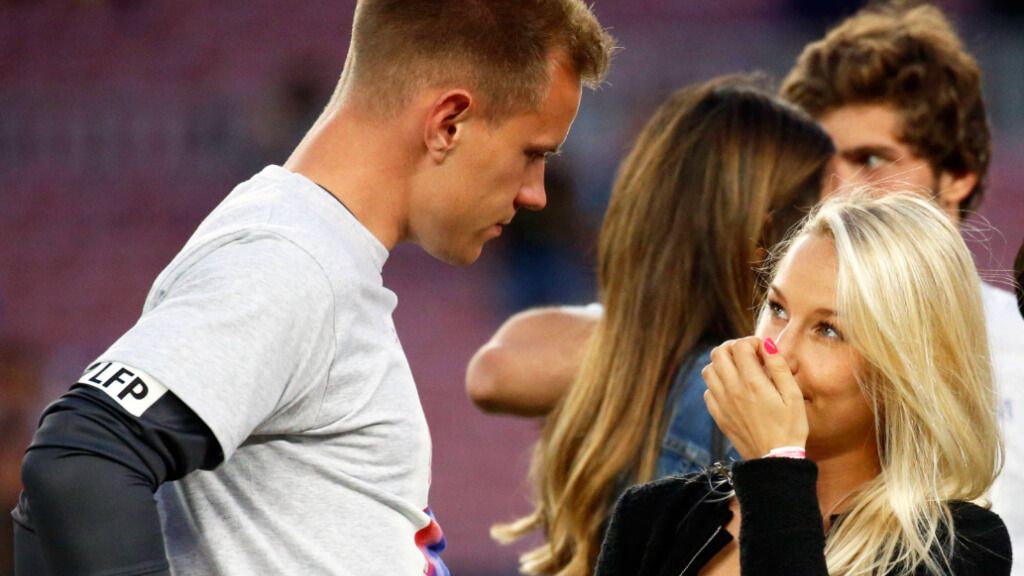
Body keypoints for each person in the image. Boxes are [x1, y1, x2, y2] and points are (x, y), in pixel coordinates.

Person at [12, 2, 615, 575]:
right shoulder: (290, 258)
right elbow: (79, 461)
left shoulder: (308, 249)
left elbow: (55, 498)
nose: (536, 192)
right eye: (532, 153)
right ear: (447, 122)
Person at [467, 0, 1024, 551]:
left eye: (873, 161)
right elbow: (498, 368)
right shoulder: (688, 464)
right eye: (778, 308)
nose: (840, 194)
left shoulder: (953, 537)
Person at [486, 77, 835, 575]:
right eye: (819, 211)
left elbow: (491, 372)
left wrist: (638, 346)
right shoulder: (742, 397)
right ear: (764, 235)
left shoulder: (629, 374)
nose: (832, 237)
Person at [596, 191, 1011, 576]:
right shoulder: (651, 514)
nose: (778, 351)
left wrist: (776, 463)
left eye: (828, 330)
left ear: (905, 371)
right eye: (777, 308)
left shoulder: (958, 545)